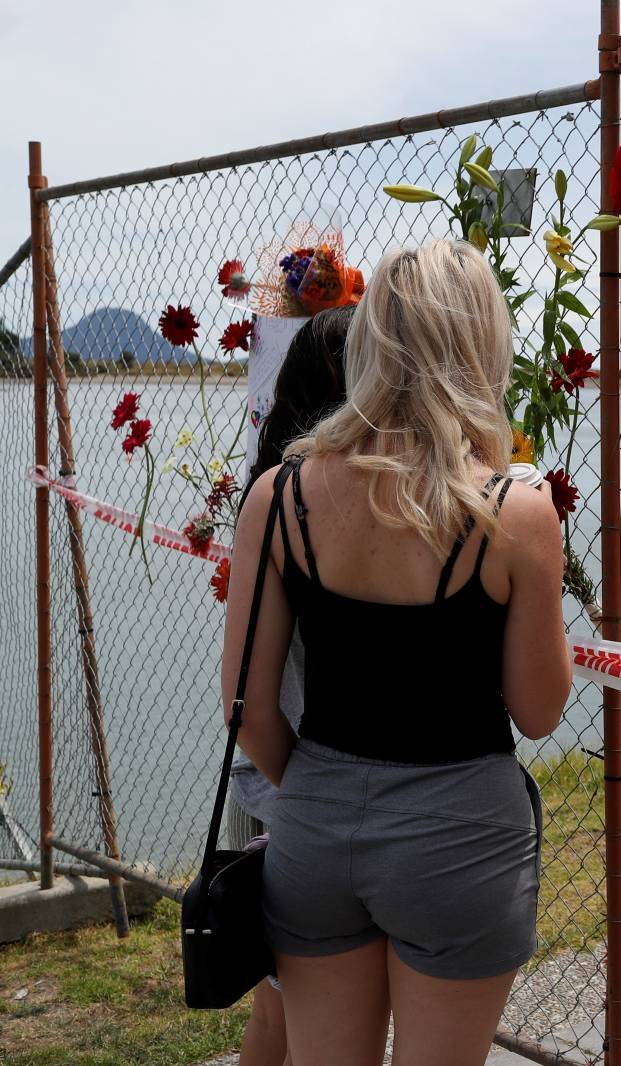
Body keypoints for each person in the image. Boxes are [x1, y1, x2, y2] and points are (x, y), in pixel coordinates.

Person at [221, 239, 571, 1066]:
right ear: (483, 346)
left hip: (313, 832)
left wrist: (318, 786)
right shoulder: (514, 513)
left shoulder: (278, 497)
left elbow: (247, 708)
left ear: (370, 338)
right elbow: (540, 710)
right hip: (460, 838)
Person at [228, 305, 356, 1066]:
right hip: (299, 786)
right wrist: (312, 790)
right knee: (309, 1024)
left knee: (277, 1015)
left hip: (271, 785)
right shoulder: (314, 504)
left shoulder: (269, 497)